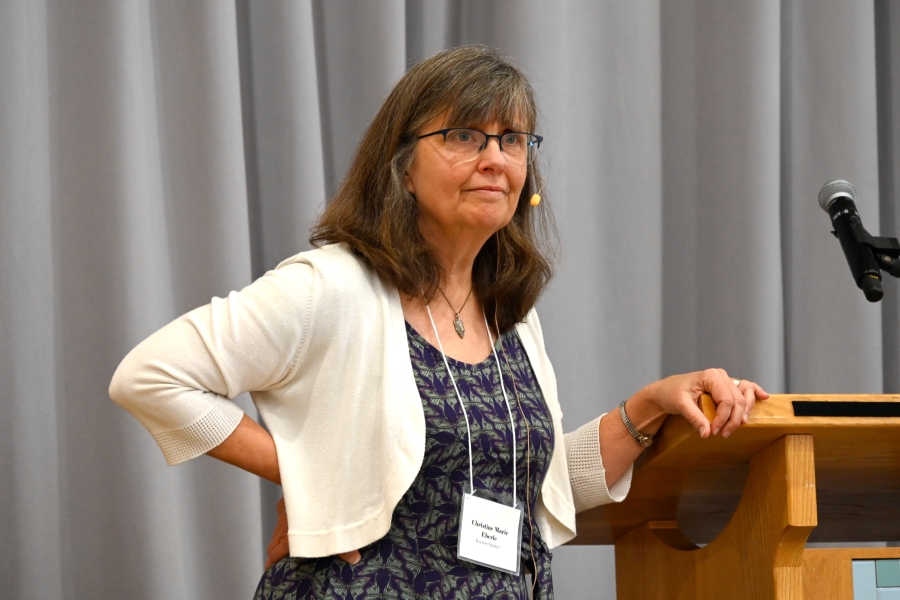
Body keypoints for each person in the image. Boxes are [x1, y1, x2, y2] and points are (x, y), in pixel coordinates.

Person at [109, 45, 768, 600]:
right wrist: (317, 475)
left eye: (512, 140)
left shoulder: (511, 312)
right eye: (464, 136)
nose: (495, 159)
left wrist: (651, 406)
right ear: (402, 167)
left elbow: (532, 486)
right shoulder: (334, 286)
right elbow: (150, 377)